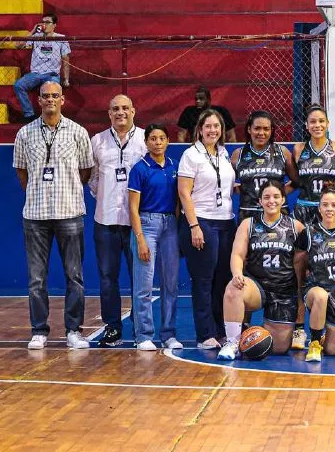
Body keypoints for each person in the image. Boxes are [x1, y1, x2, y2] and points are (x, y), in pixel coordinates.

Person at [13, 81, 94, 349]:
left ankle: (73, 331)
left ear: (63, 100)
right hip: (35, 215)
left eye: (55, 96)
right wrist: (38, 192)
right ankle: (39, 330)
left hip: (70, 212)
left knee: (75, 276)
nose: (50, 100)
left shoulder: (78, 132)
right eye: (45, 96)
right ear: (38, 101)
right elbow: (22, 171)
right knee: (36, 278)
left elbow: (85, 171)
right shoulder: (25, 134)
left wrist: (68, 191)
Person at [218, 180, 305, 359]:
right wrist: (237, 274)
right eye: (266, 197)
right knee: (234, 288)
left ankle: (255, 329)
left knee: (279, 348)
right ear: (260, 202)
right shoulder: (248, 224)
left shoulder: (295, 227)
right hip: (256, 286)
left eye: (276, 197)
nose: (271, 201)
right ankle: (232, 342)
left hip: (283, 290)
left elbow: (305, 261)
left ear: (283, 200)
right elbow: (237, 255)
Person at [88, 95, 146, 347]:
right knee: (107, 277)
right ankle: (112, 327)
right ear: (108, 113)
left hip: (138, 222)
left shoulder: (146, 138)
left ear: (134, 110)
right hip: (106, 219)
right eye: (115, 109)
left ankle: (142, 327)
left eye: (125, 108)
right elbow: (91, 179)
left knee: (140, 276)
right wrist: (106, 195)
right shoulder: (97, 141)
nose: (120, 112)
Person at [290, 105, 335, 349]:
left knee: (329, 267)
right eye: (312, 121)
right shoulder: (298, 150)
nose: (317, 126)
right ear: (306, 125)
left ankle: (329, 327)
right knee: (301, 270)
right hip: (305, 210)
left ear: (327, 124)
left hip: (328, 211)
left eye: (321, 121)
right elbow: (294, 182)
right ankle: (298, 329)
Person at [178, 109, 237, 349]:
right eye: (208, 126)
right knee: (204, 280)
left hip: (226, 221)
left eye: (217, 126)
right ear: (200, 130)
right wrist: (194, 226)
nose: (213, 130)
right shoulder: (190, 155)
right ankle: (205, 334)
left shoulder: (223, 153)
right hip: (201, 220)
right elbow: (184, 192)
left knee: (223, 279)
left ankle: (221, 329)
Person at [128, 124, 182, 351]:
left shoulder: (174, 167)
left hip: (170, 225)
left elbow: (180, 201)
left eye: (161, 138)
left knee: (170, 283)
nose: (158, 142)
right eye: (153, 138)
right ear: (146, 142)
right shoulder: (139, 169)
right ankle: (143, 335)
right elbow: (132, 208)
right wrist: (140, 238)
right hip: (147, 224)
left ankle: (168, 333)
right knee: (144, 284)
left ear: (168, 141)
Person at [295, 186, 335, 362]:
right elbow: (299, 260)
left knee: (331, 350)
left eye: (333, 205)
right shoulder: (309, 233)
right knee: (321, 296)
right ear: (319, 208)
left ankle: (324, 339)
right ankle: (313, 343)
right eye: (325, 205)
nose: (329, 209)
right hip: (316, 288)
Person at [231, 110, 299, 222]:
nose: (261, 133)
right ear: (249, 129)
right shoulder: (238, 154)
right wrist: (245, 189)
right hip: (248, 213)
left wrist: (279, 192)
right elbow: (226, 183)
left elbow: (298, 181)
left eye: (266, 129)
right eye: (257, 128)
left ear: (271, 130)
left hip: (277, 213)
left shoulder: (282, 152)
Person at [14, 13, 70, 122]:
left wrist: (66, 79)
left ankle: (55, 117)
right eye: (43, 22)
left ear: (54, 25)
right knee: (18, 85)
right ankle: (29, 115)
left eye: (48, 22)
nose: (44, 24)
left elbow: (66, 59)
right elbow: (18, 45)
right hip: (35, 73)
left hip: (51, 74)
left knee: (54, 91)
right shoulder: (36, 36)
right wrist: (32, 31)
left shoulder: (61, 39)